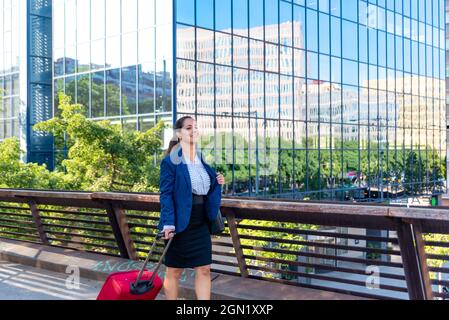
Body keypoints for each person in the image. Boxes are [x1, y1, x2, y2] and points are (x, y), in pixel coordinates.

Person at [158, 116, 225, 300]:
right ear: (179, 134)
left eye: (195, 127)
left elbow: (206, 187)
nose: (194, 130)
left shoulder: (200, 158)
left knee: (204, 269)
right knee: (175, 270)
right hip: (180, 223)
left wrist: (217, 182)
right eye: (189, 128)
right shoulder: (171, 161)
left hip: (200, 221)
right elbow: (166, 195)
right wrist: (168, 223)